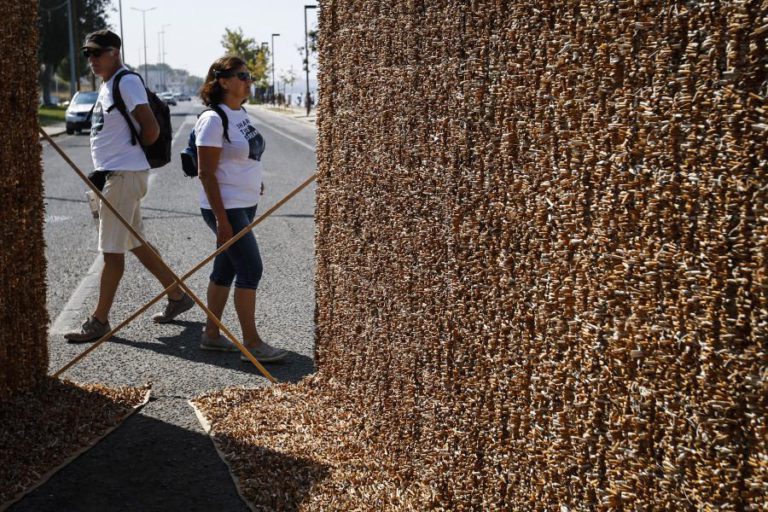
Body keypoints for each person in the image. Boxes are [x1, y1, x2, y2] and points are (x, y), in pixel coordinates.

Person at [65, 30, 194, 342]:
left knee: (111, 252)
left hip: (123, 177)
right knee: (136, 243)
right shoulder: (108, 84)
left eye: (98, 52)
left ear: (115, 52)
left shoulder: (127, 81)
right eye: (88, 54)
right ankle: (178, 296)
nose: (92, 59)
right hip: (118, 175)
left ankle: (99, 321)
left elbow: (150, 129)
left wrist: (128, 158)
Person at [195, 56, 287, 363]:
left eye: (249, 76)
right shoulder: (213, 120)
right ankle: (252, 343)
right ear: (223, 81)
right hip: (227, 208)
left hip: (245, 205)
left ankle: (210, 335)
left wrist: (253, 180)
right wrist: (222, 220)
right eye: (242, 76)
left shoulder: (241, 114)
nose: (249, 81)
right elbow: (206, 173)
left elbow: (245, 155)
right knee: (250, 268)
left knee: (226, 269)